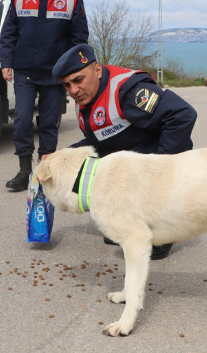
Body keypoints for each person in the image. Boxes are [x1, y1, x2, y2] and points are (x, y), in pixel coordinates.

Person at [51, 44, 197, 259]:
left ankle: (163, 230)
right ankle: (128, 220)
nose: (73, 90)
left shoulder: (128, 90)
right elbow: (98, 141)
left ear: (98, 71)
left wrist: (158, 167)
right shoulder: (84, 100)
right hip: (131, 156)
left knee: (148, 244)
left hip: (161, 158)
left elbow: (182, 115)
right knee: (94, 167)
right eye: (67, 85)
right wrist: (59, 158)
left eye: (78, 80)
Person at [0, 0, 89, 191]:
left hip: (56, 74)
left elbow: (79, 37)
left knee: (49, 124)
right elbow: (8, 32)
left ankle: (44, 172)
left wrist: (76, 69)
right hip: (25, 71)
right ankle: (24, 171)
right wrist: (6, 61)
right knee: (23, 121)